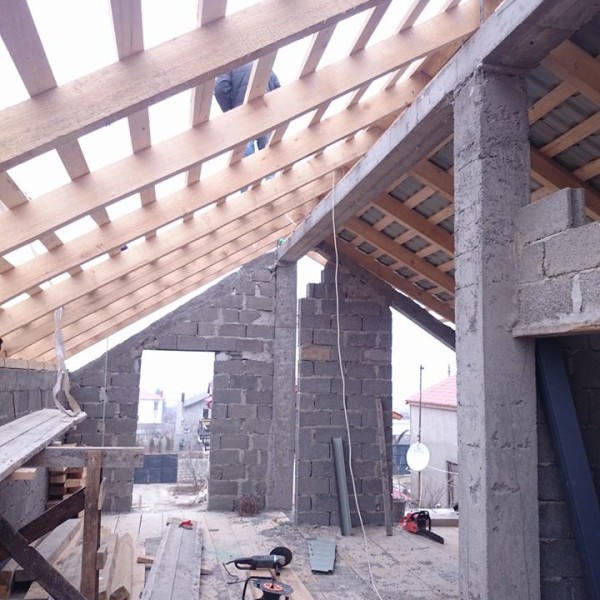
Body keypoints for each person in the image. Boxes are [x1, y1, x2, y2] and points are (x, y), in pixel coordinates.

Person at [214, 62, 281, 158]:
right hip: (265, 114)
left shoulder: (229, 67)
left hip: (242, 114)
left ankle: (249, 168)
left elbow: (220, 89)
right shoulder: (264, 64)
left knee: (245, 154)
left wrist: (229, 110)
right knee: (270, 152)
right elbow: (277, 90)